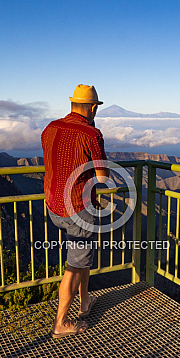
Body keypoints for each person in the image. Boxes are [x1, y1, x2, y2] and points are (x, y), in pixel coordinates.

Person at [41, 84, 110, 337]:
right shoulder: (92, 134)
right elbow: (102, 178)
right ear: (93, 108)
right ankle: (61, 323)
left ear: (72, 104)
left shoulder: (50, 128)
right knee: (73, 266)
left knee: (82, 257)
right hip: (78, 209)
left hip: (53, 205)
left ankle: (84, 303)